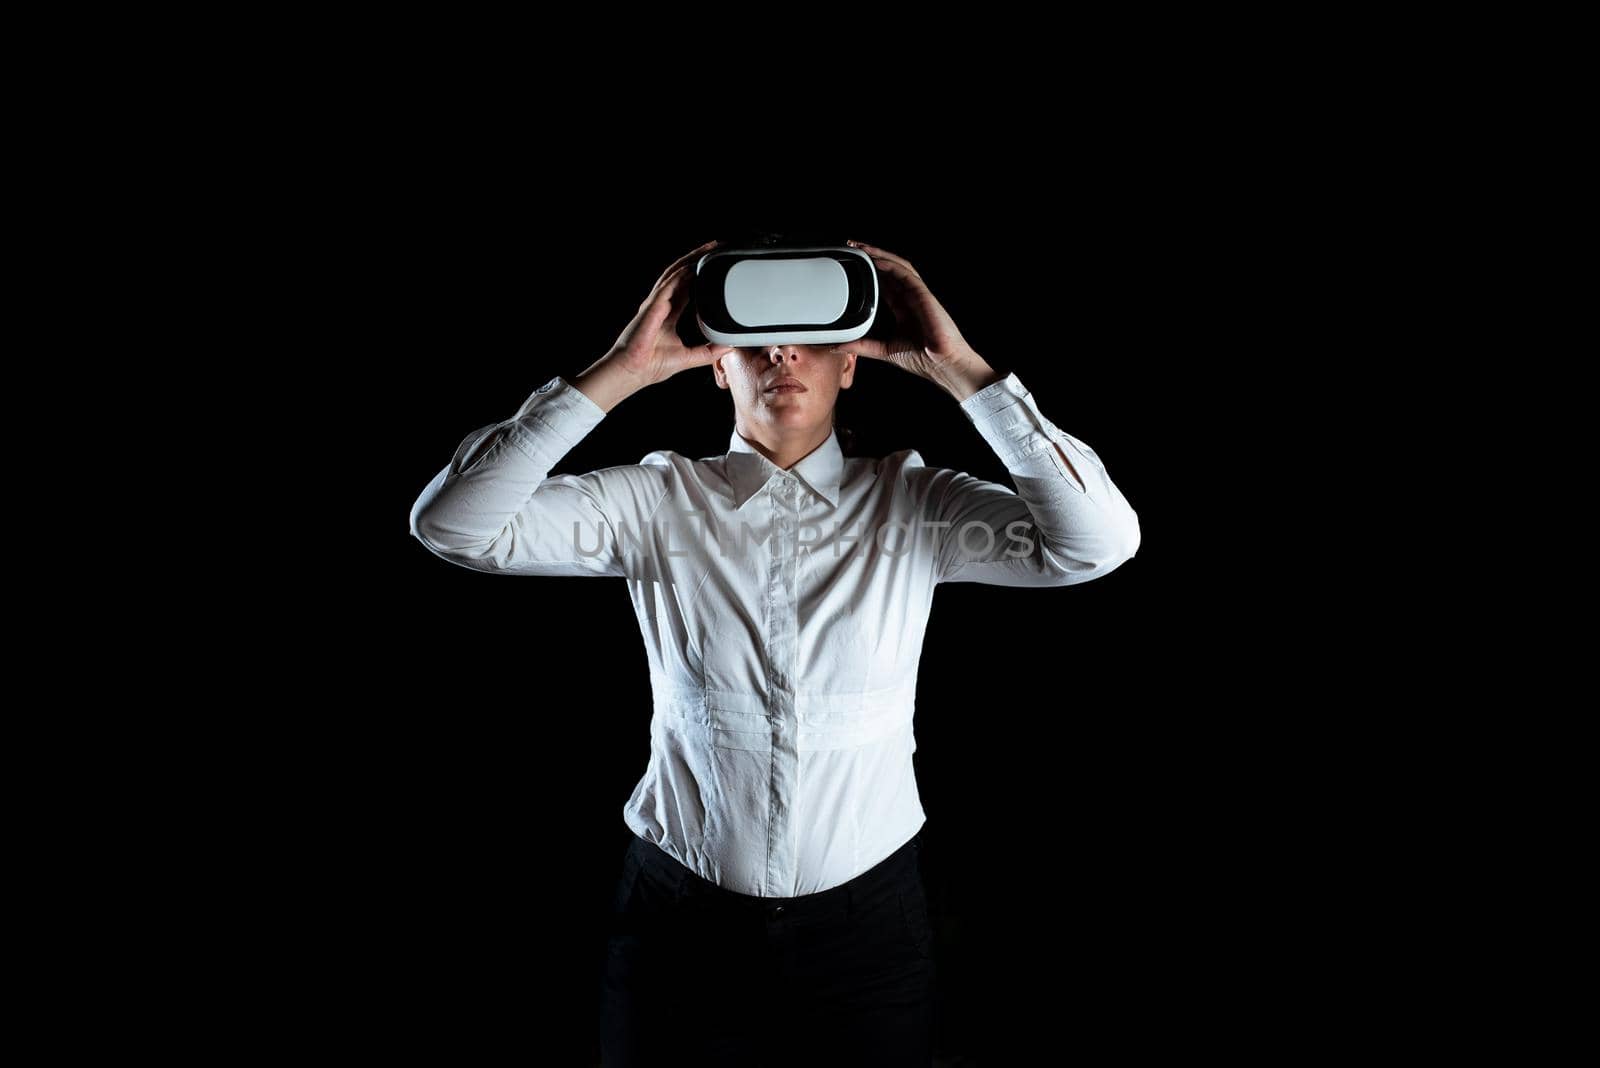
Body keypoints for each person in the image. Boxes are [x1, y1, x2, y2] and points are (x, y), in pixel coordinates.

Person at [408, 237, 1142, 1066]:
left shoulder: (919, 504)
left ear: (852, 363)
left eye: (810, 338)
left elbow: (1097, 544)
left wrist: (960, 367)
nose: (782, 353)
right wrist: (621, 369)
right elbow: (453, 525)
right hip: (674, 929)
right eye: (753, 340)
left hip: (871, 936)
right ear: (717, 365)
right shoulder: (655, 500)